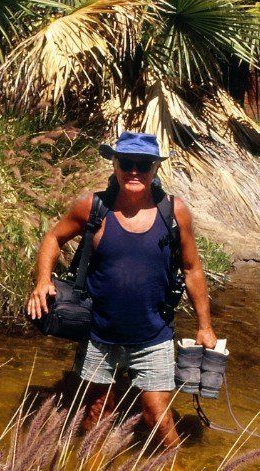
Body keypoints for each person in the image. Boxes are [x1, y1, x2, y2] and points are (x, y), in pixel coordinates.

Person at [26, 132, 217, 447]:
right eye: (126, 162)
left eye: (143, 164)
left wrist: (205, 326)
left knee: (158, 417)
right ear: (114, 164)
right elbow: (52, 238)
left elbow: (192, 268)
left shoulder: (174, 211)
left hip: (154, 336)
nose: (134, 171)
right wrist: (43, 280)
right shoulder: (93, 207)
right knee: (96, 415)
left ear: (155, 168)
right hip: (100, 336)